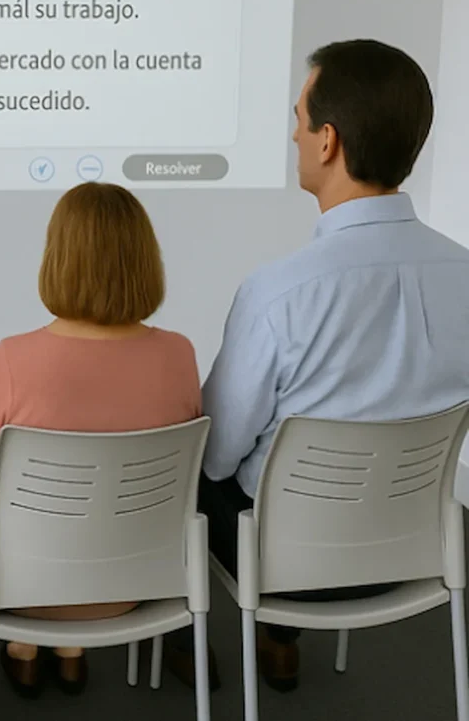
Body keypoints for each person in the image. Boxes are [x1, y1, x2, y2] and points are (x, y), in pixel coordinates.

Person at [180, 39, 469, 692]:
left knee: (184, 467)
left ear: (327, 141)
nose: (291, 132)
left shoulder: (278, 291)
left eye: (298, 118)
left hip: (287, 565)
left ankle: (178, 643)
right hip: (413, 549)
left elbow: (219, 455)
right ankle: (278, 647)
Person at [0, 182, 201, 698]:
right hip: (136, 587)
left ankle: (25, 651)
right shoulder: (179, 355)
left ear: (57, 258)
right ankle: (74, 653)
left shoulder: (13, 357)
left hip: (23, 587)